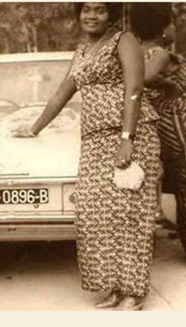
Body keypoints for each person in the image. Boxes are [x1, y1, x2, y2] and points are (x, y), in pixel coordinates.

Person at [25, 3, 161, 310]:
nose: (92, 15)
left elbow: (135, 86)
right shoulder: (83, 50)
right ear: (79, 13)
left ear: (110, 14)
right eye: (86, 9)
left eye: (100, 9)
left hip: (130, 134)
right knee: (94, 216)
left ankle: (134, 292)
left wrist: (127, 138)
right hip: (94, 140)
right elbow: (62, 92)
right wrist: (33, 129)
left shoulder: (123, 39)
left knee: (130, 215)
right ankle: (113, 286)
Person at [130, 3, 186, 231]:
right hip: (174, 123)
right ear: (163, 28)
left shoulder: (135, 52)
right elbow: (147, 76)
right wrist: (169, 84)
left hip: (153, 123)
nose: (175, 28)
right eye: (172, 23)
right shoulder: (160, 53)